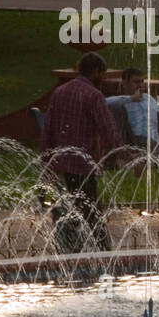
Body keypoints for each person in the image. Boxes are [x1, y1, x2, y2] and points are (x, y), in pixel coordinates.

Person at [39, 52, 121, 251]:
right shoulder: (94, 95)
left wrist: (46, 162)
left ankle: (71, 248)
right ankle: (104, 253)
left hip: (62, 162)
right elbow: (108, 128)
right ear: (95, 72)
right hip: (84, 164)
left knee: (75, 207)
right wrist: (126, 154)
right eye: (102, 74)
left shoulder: (59, 92)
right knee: (90, 209)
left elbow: (48, 128)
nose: (103, 78)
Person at [106, 67, 159, 148]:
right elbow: (104, 102)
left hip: (155, 142)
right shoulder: (121, 101)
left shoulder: (147, 97)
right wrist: (131, 98)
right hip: (135, 142)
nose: (140, 85)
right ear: (124, 83)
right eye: (136, 82)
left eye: (142, 81)